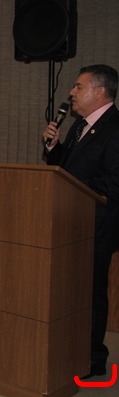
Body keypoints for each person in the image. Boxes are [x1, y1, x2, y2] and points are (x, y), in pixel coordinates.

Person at [42, 64, 119, 379]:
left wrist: (74, 186)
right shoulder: (79, 125)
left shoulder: (115, 129)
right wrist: (53, 146)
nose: (71, 93)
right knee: (71, 289)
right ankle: (70, 346)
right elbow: (65, 168)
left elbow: (115, 183)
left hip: (97, 224)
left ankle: (92, 358)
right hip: (71, 221)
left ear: (99, 92)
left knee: (90, 292)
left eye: (78, 87)